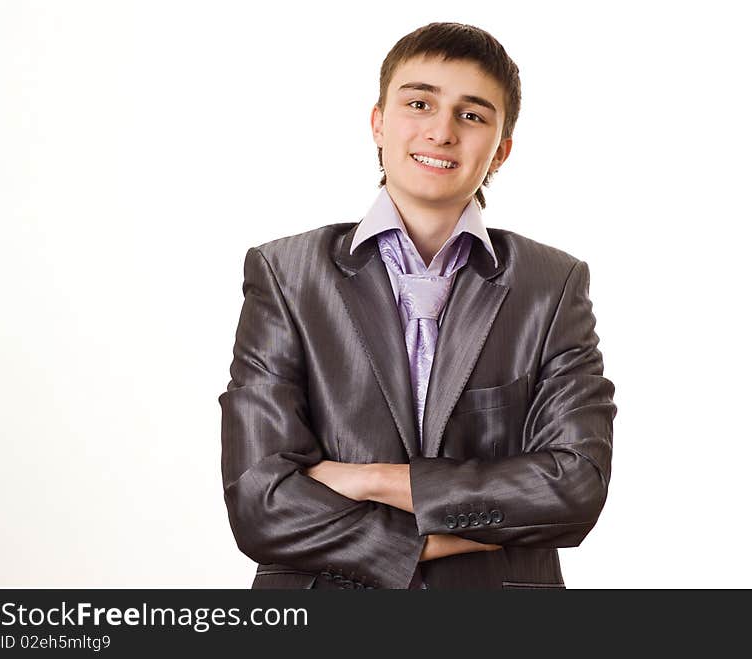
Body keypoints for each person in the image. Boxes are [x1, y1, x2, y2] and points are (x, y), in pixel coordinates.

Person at [219, 21, 616, 590]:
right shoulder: (286, 273)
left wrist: (374, 480)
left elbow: (575, 489)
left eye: (472, 115)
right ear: (379, 123)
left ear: (500, 150)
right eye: (419, 103)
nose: (442, 131)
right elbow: (262, 502)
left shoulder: (552, 285)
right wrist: (434, 539)